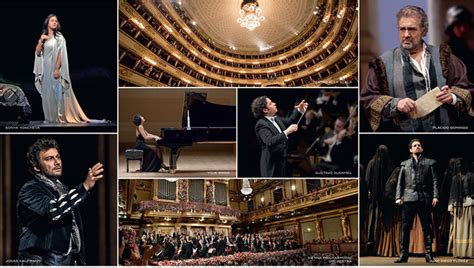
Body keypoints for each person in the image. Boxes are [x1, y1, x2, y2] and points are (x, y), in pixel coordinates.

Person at [361, 6, 474, 132]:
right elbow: (368, 99)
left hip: (444, 138)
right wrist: (395, 104)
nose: (406, 35)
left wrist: (452, 96)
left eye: (412, 29)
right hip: (404, 142)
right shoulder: (382, 64)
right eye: (402, 29)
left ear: (424, 31)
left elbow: (467, 90)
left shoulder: (445, 57)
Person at [16, 138, 104, 265]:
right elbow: (54, 211)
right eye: (49, 159)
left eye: (58, 157)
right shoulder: (29, 189)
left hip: (67, 259)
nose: (57, 162)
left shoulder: (62, 189)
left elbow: (73, 227)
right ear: (36, 166)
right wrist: (84, 187)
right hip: (41, 260)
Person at [33, 14, 94, 123]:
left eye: (56, 21)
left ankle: (59, 117)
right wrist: (40, 40)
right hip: (45, 70)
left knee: (57, 94)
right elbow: (38, 53)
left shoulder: (59, 37)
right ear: (47, 23)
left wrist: (56, 69)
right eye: (52, 20)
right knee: (47, 94)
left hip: (55, 68)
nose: (55, 22)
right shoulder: (44, 37)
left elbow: (61, 54)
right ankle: (49, 118)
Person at [395, 139, 438, 263]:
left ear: (422, 149)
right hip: (408, 198)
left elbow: (435, 181)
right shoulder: (405, 164)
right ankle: (403, 255)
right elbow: (400, 182)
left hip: (423, 197)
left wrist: (435, 196)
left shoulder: (430, 163)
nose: (417, 147)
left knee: (427, 227)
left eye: (419, 145)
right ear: (410, 149)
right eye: (415, 146)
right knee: (405, 228)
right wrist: (398, 197)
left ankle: (428, 254)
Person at [251, 96, 307, 177]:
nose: (274, 103)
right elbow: (269, 141)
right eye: (271, 103)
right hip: (271, 163)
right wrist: (287, 131)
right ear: (265, 110)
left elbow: (290, 121)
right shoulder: (261, 124)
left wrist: (299, 110)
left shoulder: (276, 118)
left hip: (281, 159)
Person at [365, 145, 394, 254]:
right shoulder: (385, 163)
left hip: (381, 198)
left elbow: (367, 180)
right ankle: (374, 244)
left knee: (375, 219)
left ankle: (376, 245)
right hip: (378, 198)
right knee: (375, 219)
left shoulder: (373, 163)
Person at [447, 158, 474, 258]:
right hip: (458, 206)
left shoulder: (471, 176)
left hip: (469, 203)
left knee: (469, 229)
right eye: (458, 164)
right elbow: (452, 193)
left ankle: (470, 252)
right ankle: (460, 252)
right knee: (460, 230)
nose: (460, 166)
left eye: (462, 164)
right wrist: (451, 206)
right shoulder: (455, 178)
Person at [445, 6, 474, 82]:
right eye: (458, 25)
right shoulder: (445, 53)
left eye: (465, 25)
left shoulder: (470, 52)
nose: (463, 29)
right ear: (451, 28)